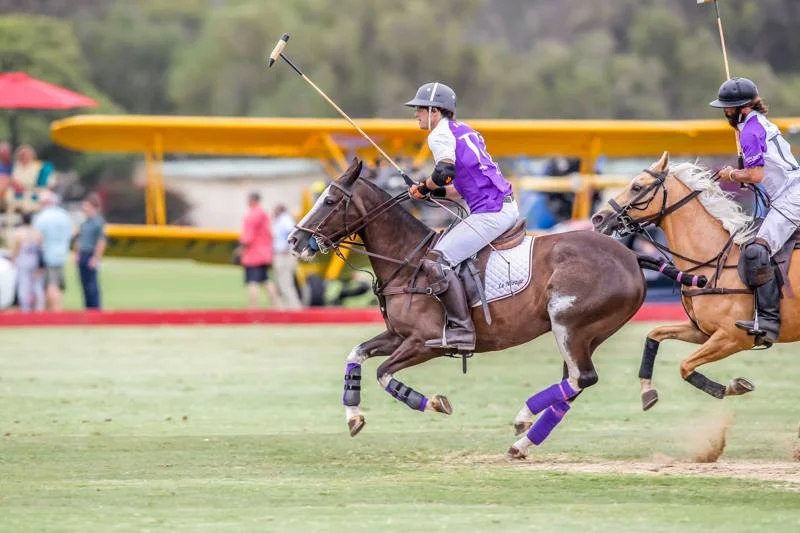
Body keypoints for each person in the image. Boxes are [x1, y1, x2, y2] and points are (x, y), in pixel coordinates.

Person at [404, 82, 519, 353]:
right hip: (503, 206)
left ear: (434, 110)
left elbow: (444, 171)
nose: (416, 115)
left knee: (435, 262)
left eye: (419, 109)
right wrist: (432, 192)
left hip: (491, 212)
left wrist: (424, 186)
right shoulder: (466, 131)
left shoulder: (438, 134)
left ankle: (462, 331)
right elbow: (460, 185)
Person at [711, 77, 800, 345]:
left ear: (742, 108)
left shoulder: (750, 130)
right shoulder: (757, 124)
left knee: (756, 250)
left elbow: (756, 174)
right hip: (786, 194)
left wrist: (731, 173)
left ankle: (768, 322)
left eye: (728, 108)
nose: (725, 112)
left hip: (791, 197)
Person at [33, 191, 74, 311]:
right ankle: (55, 309)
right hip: (62, 254)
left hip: (48, 255)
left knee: (51, 285)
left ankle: (56, 312)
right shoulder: (64, 215)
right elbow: (71, 233)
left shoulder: (41, 217)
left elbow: (38, 238)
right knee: (58, 285)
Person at [240, 192, 280, 309]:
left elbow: (248, 236)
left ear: (252, 200)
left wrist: (241, 248)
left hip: (253, 254)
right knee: (266, 280)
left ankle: (253, 307)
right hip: (264, 253)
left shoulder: (252, 214)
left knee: (252, 281)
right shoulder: (264, 213)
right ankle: (277, 305)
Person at [76, 193, 106, 310]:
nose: (84, 208)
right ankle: (88, 308)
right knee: (84, 284)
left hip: (90, 255)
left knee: (92, 285)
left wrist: (96, 258)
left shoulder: (98, 222)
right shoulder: (84, 222)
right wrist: (78, 254)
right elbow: (80, 240)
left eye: (86, 205)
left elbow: (101, 241)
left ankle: (95, 308)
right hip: (83, 254)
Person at [11, 211, 44, 312]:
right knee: (37, 285)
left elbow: (15, 248)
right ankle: (39, 308)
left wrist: (13, 259)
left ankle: (25, 309)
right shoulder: (37, 232)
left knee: (24, 285)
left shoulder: (19, 232)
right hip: (35, 259)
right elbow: (41, 248)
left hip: (24, 259)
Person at [272, 203, 302, 309]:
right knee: (282, 283)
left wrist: (286, 246)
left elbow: (291, 233)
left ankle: (295, 308)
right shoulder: (281, 220)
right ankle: (286, 307)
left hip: (284, 255)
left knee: (286, 283)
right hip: (281, 254)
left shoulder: (285, 219)